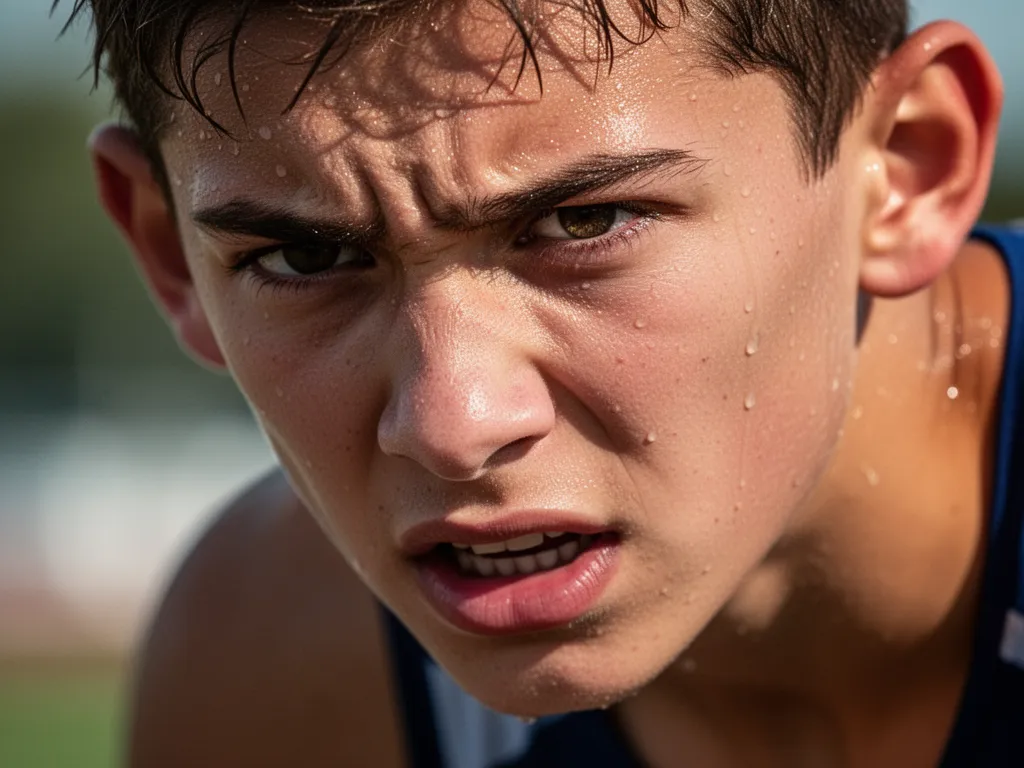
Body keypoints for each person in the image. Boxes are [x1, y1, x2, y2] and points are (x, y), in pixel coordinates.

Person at [63, 0, 1023, 764]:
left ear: (908, 168)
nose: (452, 424)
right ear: (170, 254)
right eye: (305, 258)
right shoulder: (275, 662)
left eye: (584, 224)